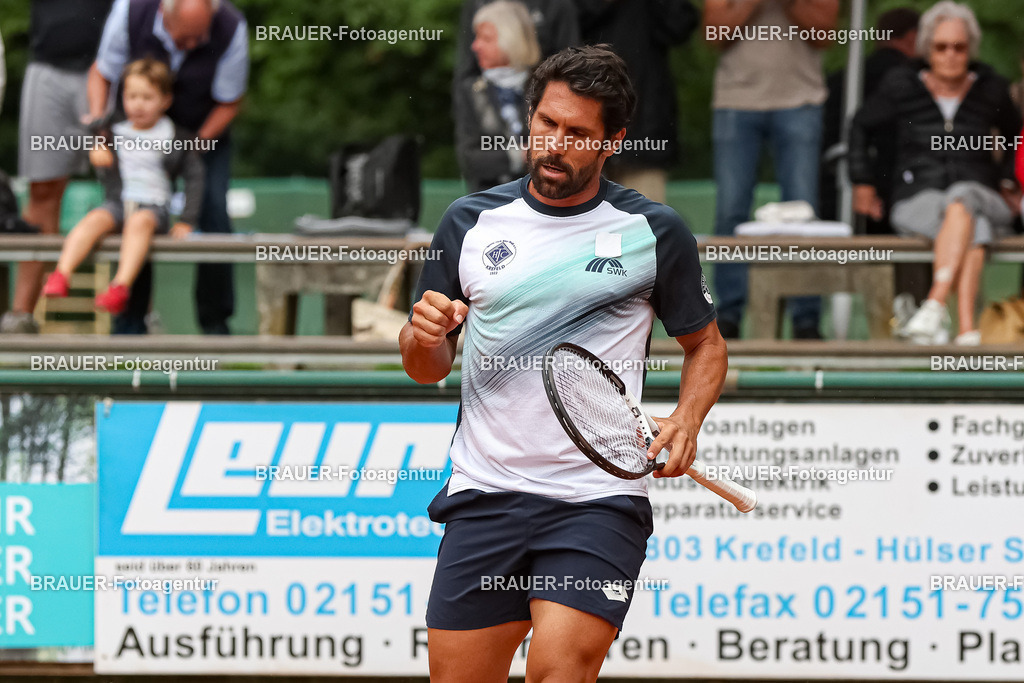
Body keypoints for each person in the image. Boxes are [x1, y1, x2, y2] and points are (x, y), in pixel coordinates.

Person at [401, 45, 727, 682]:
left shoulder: (654, 232)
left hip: (596, 502)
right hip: (485, 495)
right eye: (545, 124)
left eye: (577, 133)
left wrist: (688, 418)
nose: (554, 144)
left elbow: (706, 345)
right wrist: (423, 335)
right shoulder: (468, 223)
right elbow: (425, 367)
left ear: (613, 142)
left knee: (558, 672)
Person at [850, 1, 1022, 345]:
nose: (950, 55)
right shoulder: (900, 84)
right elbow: (860, 126)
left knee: (964, 196)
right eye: (941, 47)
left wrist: (1007, 179)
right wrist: (863, 181)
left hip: (983, 192)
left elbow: (1017, 134)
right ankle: (966, 330)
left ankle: (933, 304)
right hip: (917, 196)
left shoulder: (991, 87)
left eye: (959, 47)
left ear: (970, 48)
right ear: (927, 48)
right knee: (975, 225)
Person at [89, 0, 249, 334]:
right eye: (184, 39)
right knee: (134, 213)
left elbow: (230, 101)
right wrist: (100, 131)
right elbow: (102, 73)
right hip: (138, 127)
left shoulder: (232, 27)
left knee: (214, 211)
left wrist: (190, 149)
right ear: (165, 15)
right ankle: (129, 324)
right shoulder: (129, 12)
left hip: (201, 131)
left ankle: (216, 325)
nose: (192, 46)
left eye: (199, 38)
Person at [704, 0, 839, 340]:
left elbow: (824, 34)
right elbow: (713, 34)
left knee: (803, 212)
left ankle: (806, 319)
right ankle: (729, 316)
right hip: (736, 101)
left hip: (801, 101)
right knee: (730, 211)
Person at [42, 59, 203, 314]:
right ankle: (61, 273)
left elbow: (195, 178)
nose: (138, 104)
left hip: (153, 206)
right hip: (117, 203)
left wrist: (186, 220)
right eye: (131, 96)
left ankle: (119, 286)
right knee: (94, 218)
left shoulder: (176, 137)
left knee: (139, 222)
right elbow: (84, 141)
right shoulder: (111, 132)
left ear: (165, 100)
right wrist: (95, 149)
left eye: (147, 97)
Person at [2, 0, 115, 334]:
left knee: (127, 190)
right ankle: (22, 314)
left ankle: (137, 315)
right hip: (47, 66)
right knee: (42, 189)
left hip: (109, 67)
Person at [576, 0, 699, 204]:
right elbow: (560, 26)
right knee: (580, 227)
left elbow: (680, 25)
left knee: (645, 227)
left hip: (645, 131)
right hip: (582, 126)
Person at [820, 7, 920, 229]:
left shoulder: (842, 77)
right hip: (889, 188)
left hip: (833, 185)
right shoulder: (911, 79)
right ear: (913, 37)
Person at [455, 1, 540, 193]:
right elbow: (470, 160)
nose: (475, 46)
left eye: (486, 38)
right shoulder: (473, 91)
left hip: (543, 202)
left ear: (511, 40)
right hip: (489, 200)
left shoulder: (545, 87)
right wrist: (521, 156)